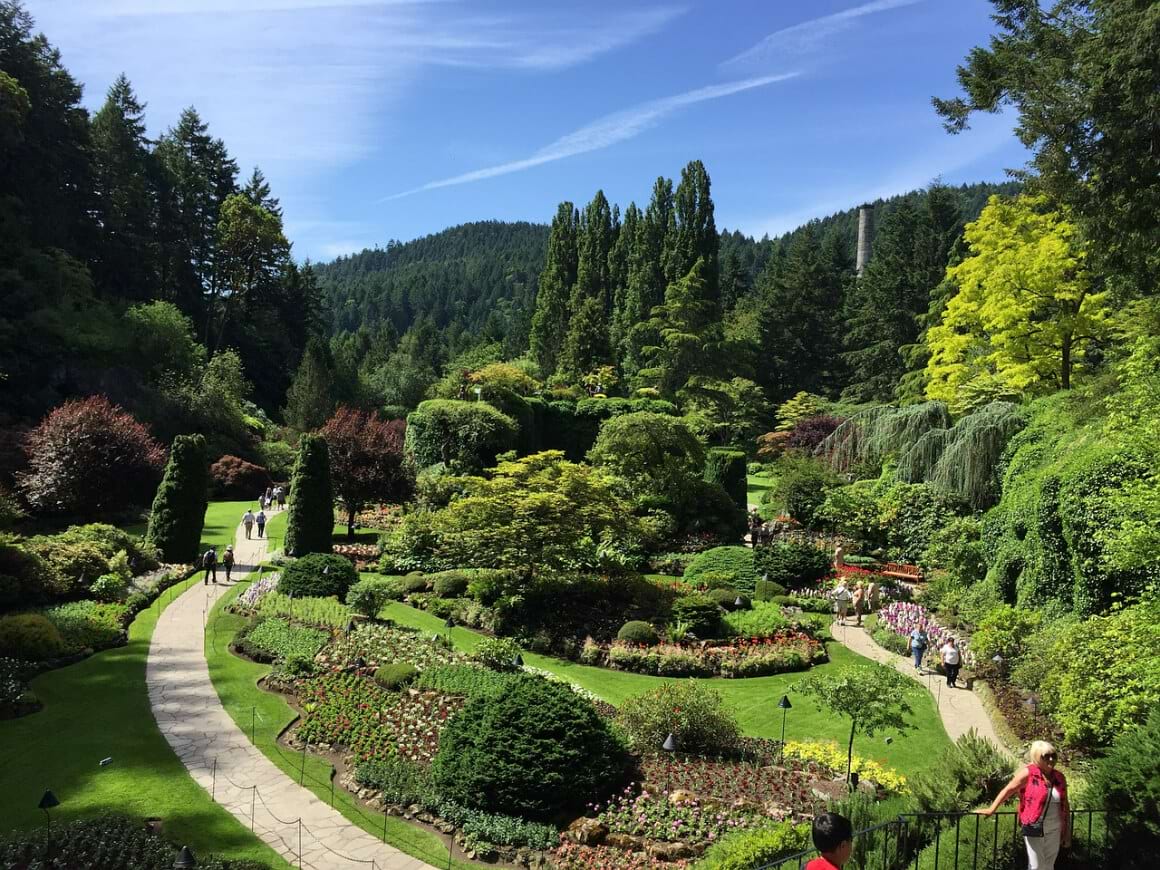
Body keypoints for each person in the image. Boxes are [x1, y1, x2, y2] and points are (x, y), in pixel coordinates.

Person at [979, 741, 1069, 869]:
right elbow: (1008, 790)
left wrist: (1067, 832)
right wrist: (992, 809)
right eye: (1046, 756)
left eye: (1053, 755)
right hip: (1034, 825)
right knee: (1036, 866)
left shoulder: (1059, 777)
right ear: (1036, 757)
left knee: (1049, 865)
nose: (1051, 759)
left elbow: (1065, 804)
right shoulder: (1029, 773)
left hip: (1055, 827)